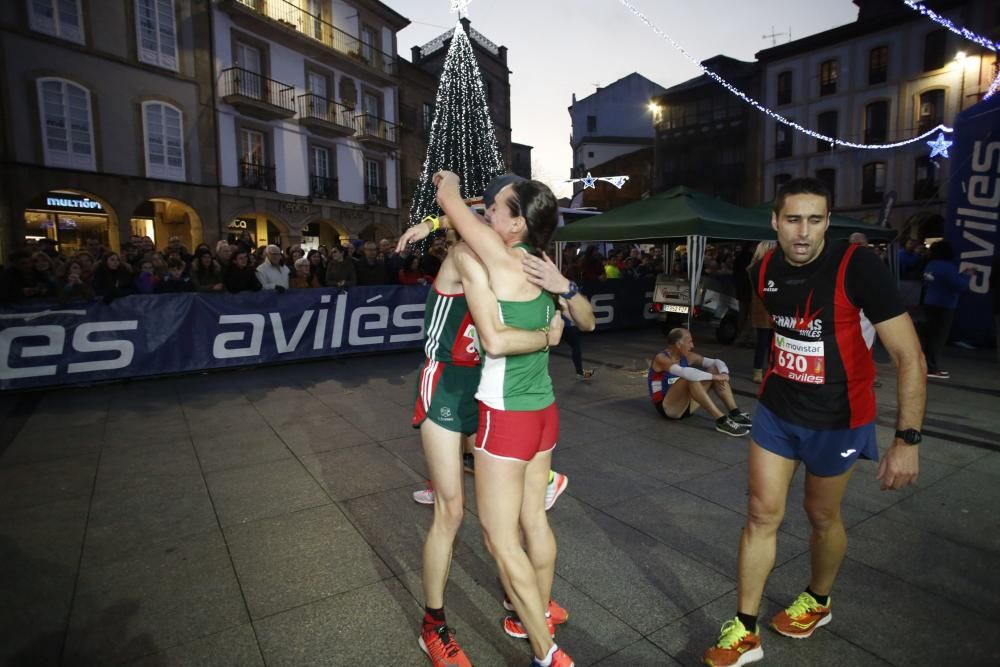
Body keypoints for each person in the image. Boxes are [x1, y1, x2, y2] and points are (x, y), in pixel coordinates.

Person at [703, 177, 925, 667]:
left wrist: (906, 439)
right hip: (779, 412)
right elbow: (785, 332)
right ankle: (744, 628)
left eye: (815, 219)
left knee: (821, 516)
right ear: (775, 222)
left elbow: (909, 356)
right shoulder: (764, 270)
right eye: (792, 219)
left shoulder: (857, 266)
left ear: (828, 220)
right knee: (761, 515)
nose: (803, 232)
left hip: (839, 419)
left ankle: (818, 600)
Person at [397, 174, 593, 667]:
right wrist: (433, 220)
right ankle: (433, 624)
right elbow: (469, 218)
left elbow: (465, 209)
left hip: (491, 389)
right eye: (480, 212)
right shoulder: (466, 256)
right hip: (448, 386)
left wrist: (441, 208)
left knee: (510, 513)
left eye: (493, 211)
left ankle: (522, 603)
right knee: (452, 510)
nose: (484, 215)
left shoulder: (510, 259)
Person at [648, 328, 751, 436]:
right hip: (668, 408)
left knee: (714, 368)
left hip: (686, 407)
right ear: (679, 344)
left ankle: (735, 413)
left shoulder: (688, 356)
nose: (692, 346)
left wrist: (724, 373)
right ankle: (721, 421)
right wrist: (715, 377)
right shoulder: (661, 358)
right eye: (689, 342)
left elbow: (717, 362)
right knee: (690, 378)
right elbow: (685, 373)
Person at [920, 240, 972, 379]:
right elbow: (959, 285)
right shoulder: (947, 266)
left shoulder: (930, 265)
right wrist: (967, 275)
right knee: (938, 338)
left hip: (929, 302)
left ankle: (926, 366)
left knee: (929, 337)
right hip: (944, 305)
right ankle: (932, 368)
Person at [747, 242, 776, 384]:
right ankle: (758, 370)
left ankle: (770, 368)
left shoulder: (772, 266)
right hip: (763, 309)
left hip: (772, 309)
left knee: (772, 342)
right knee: (764, 341)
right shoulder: (758, 268)